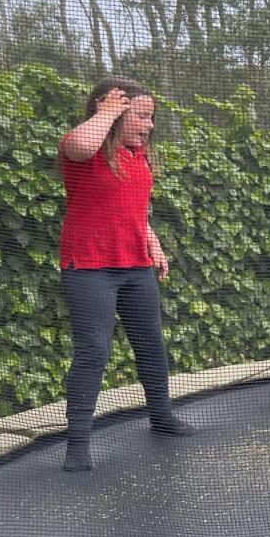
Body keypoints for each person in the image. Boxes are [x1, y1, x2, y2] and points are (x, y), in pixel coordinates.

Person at [57, 77, 193, 472]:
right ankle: (77, 446)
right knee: (93, 351)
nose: (149, 125)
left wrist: (153, 242)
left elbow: (134, 209)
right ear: (111, 109)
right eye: (142, 116)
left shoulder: (138, 156)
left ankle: (162, 417)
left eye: (151, 118)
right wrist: (108, 112)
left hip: (135, 268)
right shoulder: (81, 148)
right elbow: (82, 144)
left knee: (150, 343)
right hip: (88, 269)